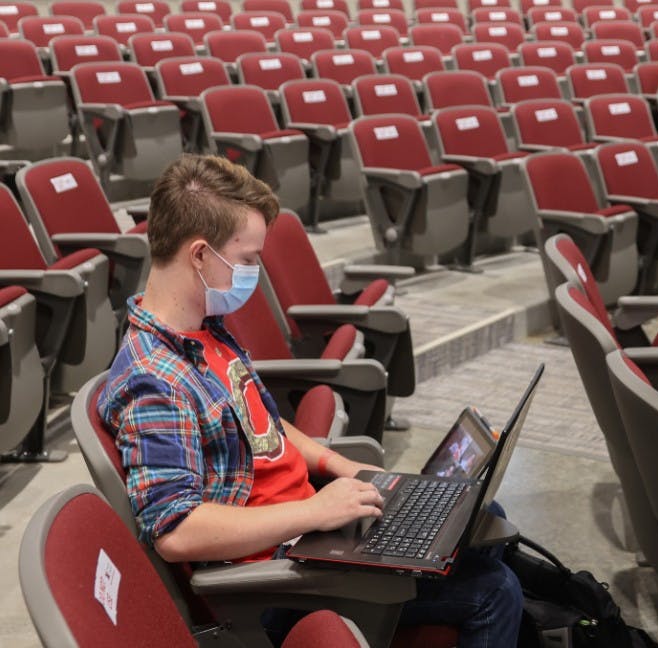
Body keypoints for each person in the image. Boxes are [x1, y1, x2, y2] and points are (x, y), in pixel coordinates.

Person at [98, 154, 522, 646]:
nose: (254, 272)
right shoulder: (154, 379)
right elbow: (177, 531)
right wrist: (317, 513)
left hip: (310, 536)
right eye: (249, 258)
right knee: (493, 591)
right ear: (199, 255)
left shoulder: (205, 330)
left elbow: (267, 428)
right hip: (276, 580)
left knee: (477, 521)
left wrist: (341, 467)